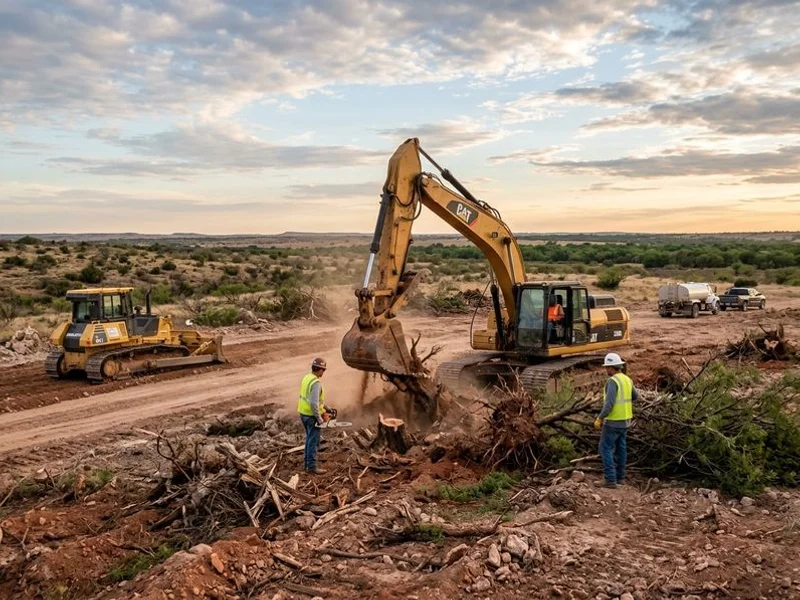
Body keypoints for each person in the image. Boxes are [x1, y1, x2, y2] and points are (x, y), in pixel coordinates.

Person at [594, 353, 638, 488]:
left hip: (613, 421)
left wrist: (600, 418)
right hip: (625, 421)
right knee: (621, 449)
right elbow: (635, 396)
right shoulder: (627, 379)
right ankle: (620, 478)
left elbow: (609, 404)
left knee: (605, 448)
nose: (606, 370)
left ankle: (610, 480)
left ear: (611, 367)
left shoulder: (612, 381)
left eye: (607, 367)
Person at [297, 357, 334, 474]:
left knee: (309, 440)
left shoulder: (307, 378)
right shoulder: (316, 383)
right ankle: (312, 467)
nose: (324, 372)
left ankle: (307, 465)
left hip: (303, 414)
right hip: (311, 417)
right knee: (313, 442)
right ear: (320, 369)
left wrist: (326, 408)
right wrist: (319, 418)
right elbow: (314, 403)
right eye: (324, 370)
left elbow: (312, 399)